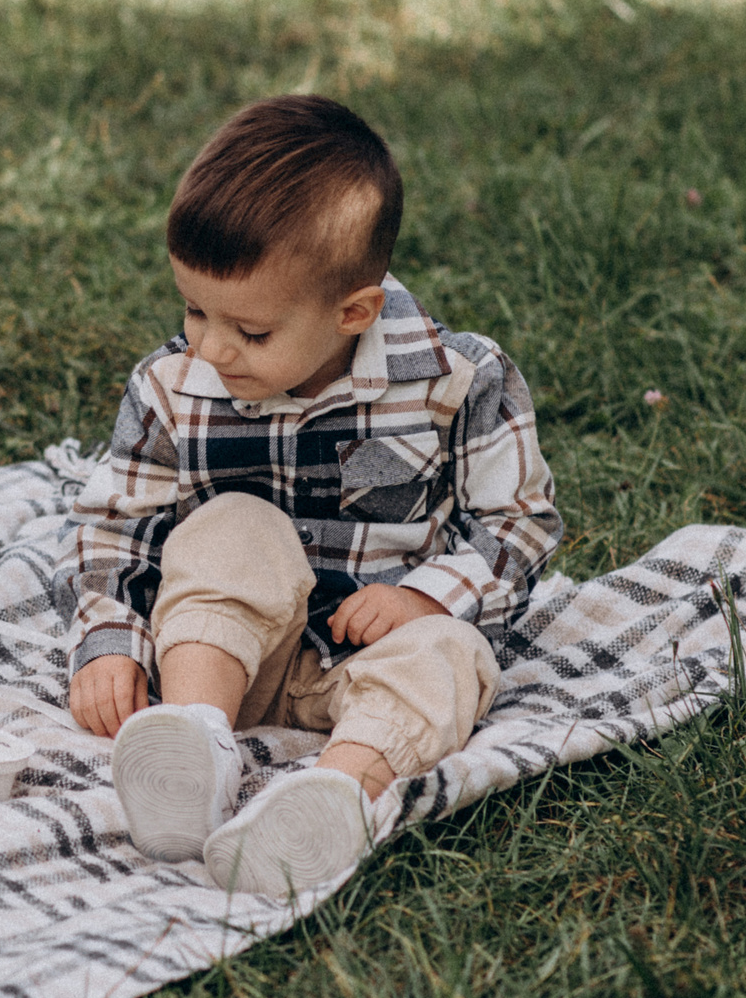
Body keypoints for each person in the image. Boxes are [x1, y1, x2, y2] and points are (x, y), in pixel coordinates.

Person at [61, 94, 560, 896]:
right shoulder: (172, 386)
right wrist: (110, 640)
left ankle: (330, 793)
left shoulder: (455, 380)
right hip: (230, 661)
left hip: (371, 665)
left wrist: (428, 600)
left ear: (352, 311)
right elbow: (114, 531)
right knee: (231, 525)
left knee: (452, 656)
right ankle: (196, 745)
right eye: (194, 309)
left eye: (250, 332)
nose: (212, 347)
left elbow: (519, 521)